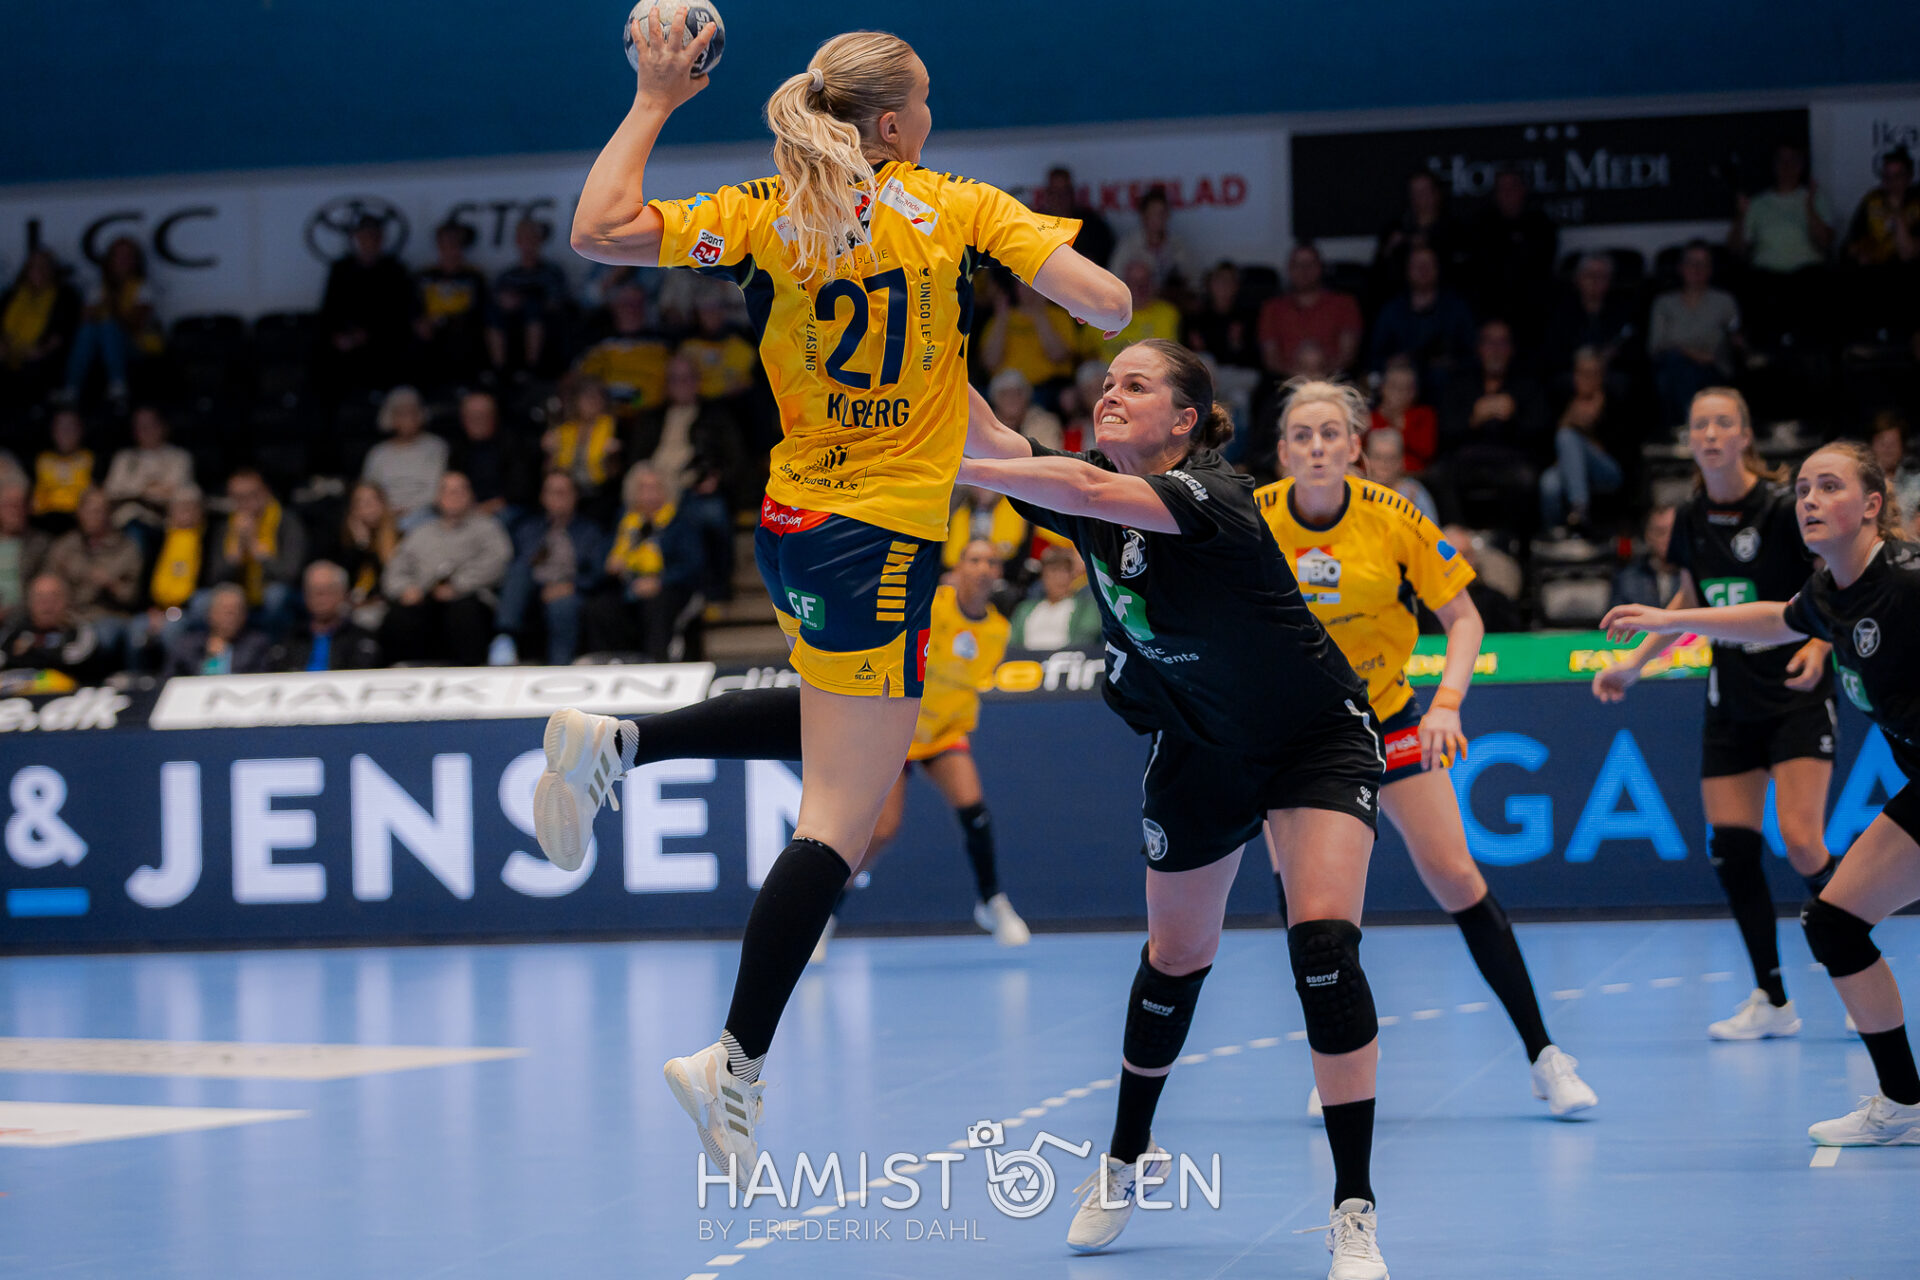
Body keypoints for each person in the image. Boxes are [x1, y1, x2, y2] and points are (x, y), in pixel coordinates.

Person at [539, 16, 1128, 1197]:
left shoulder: (768, 211)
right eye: (928, 104)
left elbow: (597, 230)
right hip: (881, 547)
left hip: (791, 528)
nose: (934, 120)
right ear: (896, 124)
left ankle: (621, 743)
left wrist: (654, 98)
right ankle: (733, 1059)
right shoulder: (955, 205)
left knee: (839, 722)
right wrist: (1011, 248)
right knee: (841, 816)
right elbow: (1108, 305)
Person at [957, 339, 1390, 1276]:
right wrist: (914, 352)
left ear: (1185, 420)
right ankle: (1125, 1159)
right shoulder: (1089, 493)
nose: (1109, 394)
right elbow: (990, 432)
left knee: (1323, 949)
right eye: (1106, 383)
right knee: (1175, 958)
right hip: (1198, 749)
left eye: (1136, 385)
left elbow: (1074, 485)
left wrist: (942, 466)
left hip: (1312, 739)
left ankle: (1353, 1208)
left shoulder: (1213, 494)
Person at [1260, 378, 1597, 1122]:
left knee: (1455, 877)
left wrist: (1446, 703)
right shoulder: (1254, 519)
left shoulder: (1394, 516)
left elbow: (1464, 618)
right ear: (1282, 452)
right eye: (1301, 436)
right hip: (1296, 737)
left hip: (1389, 717)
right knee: (1312, 914)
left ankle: (1544, 1055)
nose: (1317, 447)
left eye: (1330, 434)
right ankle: (1335, 1063)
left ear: (1355, 447)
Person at [1600, 441, 1920, 1146]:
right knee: (1835, 923)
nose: (1809, 500)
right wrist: (1671, 622)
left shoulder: (1905, 581)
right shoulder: (1833, 592)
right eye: (1802, 488)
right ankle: (1904, 1104)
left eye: (1829, 486)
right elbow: (1774, 618)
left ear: (1872, 505)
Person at [1592, 387, 1836, 1039]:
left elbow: (1833, 582)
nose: (1710, 433)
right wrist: (1634, 665)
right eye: (1700, 424)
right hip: (1731, 701)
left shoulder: (1783, 508)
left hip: (1796, 695)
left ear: (1745, 436)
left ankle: (1854, 963)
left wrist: (1819, 646)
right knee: (1732, 849)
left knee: (1804, 842)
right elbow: (1688, 602)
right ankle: (1773, 1000)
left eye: (1723, 422)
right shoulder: (1690, 517)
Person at [813, 537, 1030, 960]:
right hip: (895, 731)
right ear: (958, 568)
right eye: (974, 560)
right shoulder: (931, 605)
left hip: (945, 732)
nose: (983, 568)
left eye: (991, 562)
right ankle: (825, 913)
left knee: (975, 812)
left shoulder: (998, 631)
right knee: (881, 833)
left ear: (998, 574)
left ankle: (992, 901)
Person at [380, 471, 513, 666]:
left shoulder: (487, 528)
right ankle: (404, 670)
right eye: (448, 491)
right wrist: (405, 589)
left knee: (463, 612)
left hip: (470, 597)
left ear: (470, 495)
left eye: (460, 490)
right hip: (424, 596)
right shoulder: (420, 533)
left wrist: (458, 585)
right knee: (399, 615)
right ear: (437, 497)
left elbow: (498, 561)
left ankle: (469, 670)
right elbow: (396, 568)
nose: (454, 496)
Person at [495, 471, 605, 666]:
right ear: (543, 497)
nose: (557, 498)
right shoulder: (529, 528)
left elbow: (597, 572)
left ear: (575, 496)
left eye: (563, 492)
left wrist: (572, 586)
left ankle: (560, 665)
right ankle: (505, 639)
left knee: (562, 605)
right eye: (552, 492)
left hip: (569, 586)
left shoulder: (589, 531)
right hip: (533, 585)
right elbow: (519, 561)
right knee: (518, 572)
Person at [1729, 142, 1834, 348]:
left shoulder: (1815, 198)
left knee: (1820, 284)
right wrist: (1741, 217)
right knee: (1750, 285)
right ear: (1774, 166)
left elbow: (1826, 242)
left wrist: (1809, 207)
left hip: (1807, 276)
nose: (1787, 166)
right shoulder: (1758, 203)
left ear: (1801, 166)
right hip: (1766, 277)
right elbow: (1737, 250)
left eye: (1792, 161)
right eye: (1781, 161)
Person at [318, 213, 419, 396]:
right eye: (364, 236)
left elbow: (400, 313)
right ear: (356, 238)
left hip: (383, 339)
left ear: (381, 239)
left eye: (374, 236)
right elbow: (329, 310)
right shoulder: (341, 269)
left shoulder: (394, 270)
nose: (369, 241)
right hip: (345, 338)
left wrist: (368, 334)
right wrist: (338, 336)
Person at [1649, 241, 1742, 428]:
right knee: (1677, 366)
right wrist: (1691, 353)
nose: (1697, 269)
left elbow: (1734, 338)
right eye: (1691, 263)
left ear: (1711, 269)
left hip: (1713, 367)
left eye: (1703, 264)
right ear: (1681, 268)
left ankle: (1686, 427)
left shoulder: (1724, 301)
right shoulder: (1664, 303)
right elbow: (1656, 345)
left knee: (1678, 372)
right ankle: (1692, 425)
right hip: (1673, 364)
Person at [43, 486, 141, 658]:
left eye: (98, 511)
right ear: (79, 513)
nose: (93, 517)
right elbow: (47, 582)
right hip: (68, 616)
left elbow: (133, 597)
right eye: (88, 511)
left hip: (106, 616)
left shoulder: (126, 548)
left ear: (108, 514)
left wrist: (111, 584)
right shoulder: (64, 546)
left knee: (101, 637)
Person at [64, 235, 162, 405]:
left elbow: (136, 323)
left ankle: (118, 384)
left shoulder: (143, 287)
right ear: (110, 259)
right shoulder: (98, 287)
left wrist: (112, 306)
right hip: (98, 346)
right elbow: (84, 320)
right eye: (119, 255)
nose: (123, 261)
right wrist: (99, 310)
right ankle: (71, 388)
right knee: (89, 330)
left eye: (128, 256)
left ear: (136, 261)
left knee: (109, 327)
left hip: (135, 346)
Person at [1538, 348, 1628, 532]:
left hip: (1606, 469)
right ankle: (1556, 534)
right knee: (1549, 483)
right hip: (1568, 467)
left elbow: (1623, 449)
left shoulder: (1614, 401)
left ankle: (1580, 509)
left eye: (1593, 373)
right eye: (1582, 373)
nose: (1587, 379)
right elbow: (1545, 442)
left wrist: (1591, 426)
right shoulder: (1562, 399)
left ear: (1602, 376)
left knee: (1566, 436)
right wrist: (1570, 418)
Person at [1368, 245, 1476, 398]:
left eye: (1428, 264)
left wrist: (1450, 361)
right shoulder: (1392, 310)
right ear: (1407, 270)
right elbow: (1374, 358)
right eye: (1417, 265)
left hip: (1447, 387)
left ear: (1438, 268)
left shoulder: (1456, 307)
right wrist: (1393, 361)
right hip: (1402, 388)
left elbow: (1473, 354)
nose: (1423, 270)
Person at [209, 469, 306, 633]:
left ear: (265, 492)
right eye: (238, 497)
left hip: (276, 593)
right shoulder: (227, 526)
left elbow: (290, 574)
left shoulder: (286, 521)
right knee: (202, 602)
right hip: (240, 595)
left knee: (276, 595)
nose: (245, 503)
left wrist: (256, 547)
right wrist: (237, 550)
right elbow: (215, 578)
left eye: (251, 495)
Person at [1840, 146, 1919, 344]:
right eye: (1887, 177)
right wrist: (1860, 252)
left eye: (1898, 176)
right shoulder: (1873, 200)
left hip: (1907, 269)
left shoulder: (1917, 202)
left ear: (1909, 177)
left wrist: (1896, 210)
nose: (1892, 183)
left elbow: (1908, 252)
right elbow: (1850, 243)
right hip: (1874, 266)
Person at [1466, 168, 1558, 337]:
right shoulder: (1482, 226)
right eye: (1503, 189)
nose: (1508, 194)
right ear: (1496, 194)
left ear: (1523, 190)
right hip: (1492, 308)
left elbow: (1541, 267)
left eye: (1513, 187)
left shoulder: (1540, 224)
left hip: (1533, 310)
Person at [1259, 244, 1363, 379]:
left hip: (1333, 380)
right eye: (1297, 265)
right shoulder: (1272, 308)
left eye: (1310, 264)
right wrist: (1299, 376)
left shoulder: (1345, 303)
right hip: (1286, 381)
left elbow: (1347, 356)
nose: (1304, 270)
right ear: (1289, 269)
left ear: (1321, 267)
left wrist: (1319, 375)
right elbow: (1271, 359)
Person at [487, 215, 572, 375]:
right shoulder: (508, 275)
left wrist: (524, 300)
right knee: (493, 314)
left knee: (533, 309)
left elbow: (556, 301)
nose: (529, 244)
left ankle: (531, 368)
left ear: (540, 241)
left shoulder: (552, 272)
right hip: (511, 321)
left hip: (542, 320)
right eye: (524, 239)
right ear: (517, 241)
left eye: (533, 238)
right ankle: (499, 370)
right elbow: (498, 299)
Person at [267, 560, 385, 672]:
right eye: (313, 590)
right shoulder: (290, 640)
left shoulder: (361, 641)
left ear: (343, 593)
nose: (320, 597)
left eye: (327, 590)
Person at [102, 406, 194, 548]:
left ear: (163, 426)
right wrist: (148, 488)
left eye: (151, 424)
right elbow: (111, 491)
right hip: (124, 523)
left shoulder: (179, 457)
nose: (145, 430)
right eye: (140, 426)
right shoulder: (124, 458)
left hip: (165, 523)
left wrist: (133, 491)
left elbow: (177, 493)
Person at [360, 386, 450, 528]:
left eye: (412, 412)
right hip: (384, 516)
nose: (408, 418)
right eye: (401, 413)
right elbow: (368, 490)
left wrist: (408, 511)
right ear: (390, 416)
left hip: (425, 514)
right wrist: (387, 511)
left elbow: (437, 490)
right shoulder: (378, 453)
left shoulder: (436, 447)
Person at [0, 574, 115, 685]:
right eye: (39, 597)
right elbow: (4, 659)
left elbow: (73, 661)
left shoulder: (81, 632)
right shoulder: (14, 631)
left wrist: (30, 652)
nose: (46, 604)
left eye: (54, 597)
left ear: (67, 601)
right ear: (29, 602)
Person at [0, 247, 80, 407]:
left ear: (53, 270)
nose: (39, 271)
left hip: (43, 354)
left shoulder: (65, 295)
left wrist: (41, 351)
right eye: (34, 266)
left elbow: (63, 331)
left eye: (44, 266)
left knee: (35, 369)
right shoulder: (11, 294)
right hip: (9, 352)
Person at [983, 277, 1079, 393]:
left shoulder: (1059, 316)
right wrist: (1001, 318)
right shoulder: (999, 319)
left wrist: (1039, 314)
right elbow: (991, 362)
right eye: (1023, 284)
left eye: (1034, 285)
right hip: (1008, 389)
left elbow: (1058, 356)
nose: (1029, 290)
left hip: (1050, 387)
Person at [161, 583, 270, 677]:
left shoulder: (256, 645)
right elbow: (169, 680)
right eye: (225, 611)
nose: (231, 617)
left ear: (244, 615)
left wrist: (225, 655)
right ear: (210, 613)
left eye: (235, 611)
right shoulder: (187, 646)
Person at [1009, 543, 1100, 649]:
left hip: (1067, 658)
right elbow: (1013, 645)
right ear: (1043, 576)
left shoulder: (1084, 608)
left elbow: (1086, 639)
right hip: (1027, 659)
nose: (1060, 578)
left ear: (1072, 575)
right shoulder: (1024, 609)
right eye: (1053, 571)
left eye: (1065, 571)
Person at [1110, 185, 1192, 296]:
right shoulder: (1129, 245)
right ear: (1144, 215)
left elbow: (1191, 279)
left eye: (1161, 213)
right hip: (1136, 302)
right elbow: (1114, 281)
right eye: (1153, 213)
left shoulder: (1177, 244)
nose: (1158, 218)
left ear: (1167, 215)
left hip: (1168, 301)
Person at [1181, 261, 1257, 370]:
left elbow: (1254, 361)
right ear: (1209, 284)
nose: (1224, 286)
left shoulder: (1246, 317)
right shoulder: (1196, 316)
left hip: (1237, 372)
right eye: (1219, 280)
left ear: (1236, 286)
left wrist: (1237, 344)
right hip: (1205, 370)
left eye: (1229, 281)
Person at [1366, 356, 1437, 473]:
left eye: (1407, 388)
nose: (1400, 393)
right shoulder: (1370, 417)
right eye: (1394, 386)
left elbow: (1427, 452)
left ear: (1415, 392)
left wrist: (1402, 427)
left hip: (1411, 476)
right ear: (1382, 388)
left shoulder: (1423, 415)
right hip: (1372, 476)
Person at [1038, 165, 1115, 268]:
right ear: (1047, 194)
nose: (1059, 198)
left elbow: (1106, 263)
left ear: (1072, 194)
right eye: (1054, 193)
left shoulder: (1094, 227)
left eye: (1064, 192)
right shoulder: (1034, 226)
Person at [1610, 504, 1683, 610]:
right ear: (1648, 536)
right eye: (1660, 532)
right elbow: (1617, 617)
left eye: (1674, 531)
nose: (1668, 538)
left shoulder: (1694, 576)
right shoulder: (1627, 579)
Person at [32, 408, 94, 532]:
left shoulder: (90, 459)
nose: (66, 432)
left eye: (71, 427)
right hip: (43, 523)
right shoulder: (42, 459)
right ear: (52, 431)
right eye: (60, 427)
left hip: (79, 524)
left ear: (81, 430)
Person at [1360, 427, 1438, 524]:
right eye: (1377, 457)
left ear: (1401, 462)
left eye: (1390, 458)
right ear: (1366, 459)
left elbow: (1432, 531)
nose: (1383, 465)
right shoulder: (1357, 490)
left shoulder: (1415, 494)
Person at [0, 483, 52, 628]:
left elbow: (43, 588)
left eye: (18, 505)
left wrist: (9, 611)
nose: (13, 511)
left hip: (22, 615)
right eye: (8, 505)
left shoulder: (40, 544)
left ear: (28, 508)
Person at [987, 369, 1063, 452]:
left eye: (1018, 393)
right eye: (1005, 394)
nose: (1012, 398)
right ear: (995, 399)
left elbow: (1049, 455)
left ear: (1027, 397)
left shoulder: (1046, 423)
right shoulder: (985, 426)